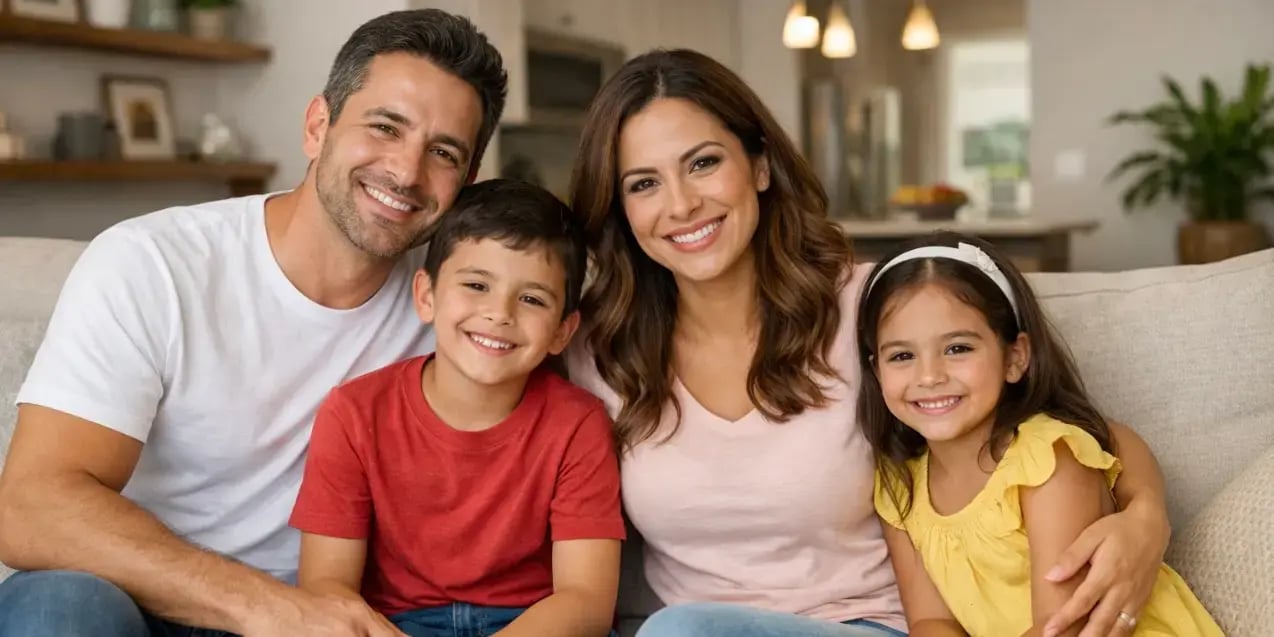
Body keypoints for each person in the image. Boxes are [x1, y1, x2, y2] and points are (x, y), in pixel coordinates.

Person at [564, 48, 1175, 637]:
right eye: (644, 183)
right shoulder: (598, 348)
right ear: (619, 207)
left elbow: (1071, 431)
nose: (681, 203)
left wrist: (1147, 518)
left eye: (703, 163)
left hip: (859, 624)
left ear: (759, 165)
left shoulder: (871, 308)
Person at [0, 9, 506, 636]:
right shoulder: (154, 263)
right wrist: (267, 607)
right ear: (318, 125)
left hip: (334, 621)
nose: (406, 172)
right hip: (152, 603)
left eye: (443, 152)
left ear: (469, 181)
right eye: (384, 127)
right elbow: (30, 507)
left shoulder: (466, 312)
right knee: (54, 608)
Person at [290, 179, 625, 637]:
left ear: (562, 332)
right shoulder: (353, 413)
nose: (499, 313)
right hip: (396, 626)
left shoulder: (578, 423)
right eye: (476, 285)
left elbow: (585, 602)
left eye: (531, 299)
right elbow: (327, 587)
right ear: (426, 296)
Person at [859, 233, 1223, 637]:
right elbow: (931, 620)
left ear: (1015, 357)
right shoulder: (899, 486)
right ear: (877, 372)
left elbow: (1062, 627)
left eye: (958, 348)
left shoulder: (1046, 461)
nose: (930, 376)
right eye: (902, 356)